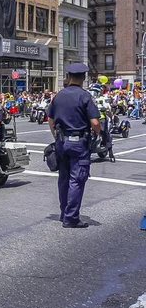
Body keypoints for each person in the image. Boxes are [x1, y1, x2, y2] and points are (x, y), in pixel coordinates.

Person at [47, 63, 101, 229]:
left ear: (68, 77)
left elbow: (50, 120)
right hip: (79, 143)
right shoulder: (85, 96)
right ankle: (71, 218)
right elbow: (95, 122)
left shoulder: (59, 96)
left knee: (64, 179)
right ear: (83, 78)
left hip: (61, 143)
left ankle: (64, 213)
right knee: (77, 179)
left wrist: (56, 136)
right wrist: (97, 134)